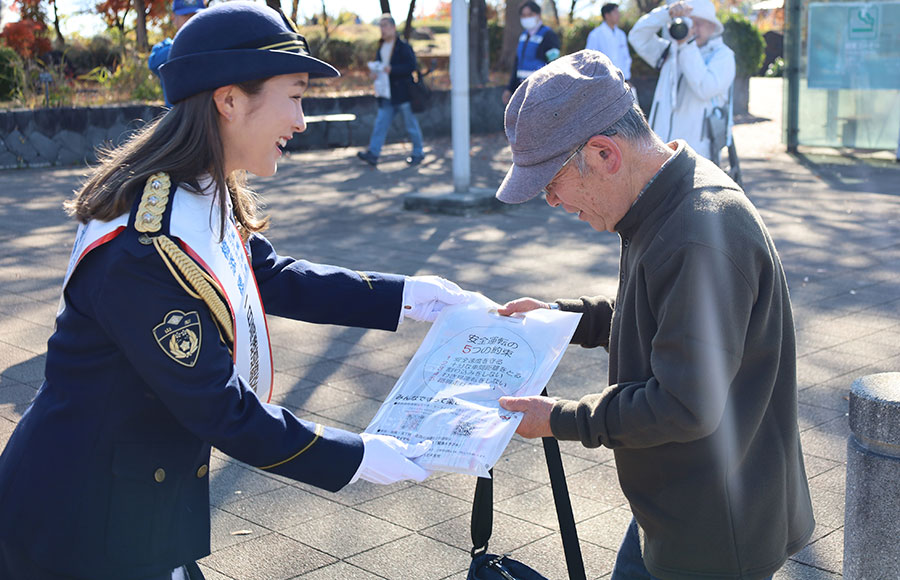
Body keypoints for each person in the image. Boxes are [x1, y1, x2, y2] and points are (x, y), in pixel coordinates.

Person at [0, 3, 469, 579]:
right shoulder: (143, 249)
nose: (301, 120)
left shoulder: (197, 190)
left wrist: (412, 297)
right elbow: (222, 409)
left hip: (140, 502)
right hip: (79, 520)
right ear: (228, 100)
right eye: (294, 95)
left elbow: (266, 277)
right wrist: (363, 456)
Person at [493, 50, 814, 579]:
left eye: (550, 181)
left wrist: (556, 419)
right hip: (685, 499)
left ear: (603, 153)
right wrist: (562, 316)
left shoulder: (697, 235)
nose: (551, 201)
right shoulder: (669, 192)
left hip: (715, 530)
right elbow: (664, 320)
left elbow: (683, 405)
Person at [628, 0, 735, 161]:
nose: (694, 29)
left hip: (698, 158)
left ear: (712, 27)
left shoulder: (723, 56)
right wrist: (666, 13)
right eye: (690, 22)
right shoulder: (670, 52)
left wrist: (686, 45)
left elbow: (704, 88)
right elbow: (637, 37)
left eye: (699, 23)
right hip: (660, 153)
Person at [356, 14, 425, 167]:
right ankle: (373, 154)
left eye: (385, 25)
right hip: (386, 94)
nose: (382, 29)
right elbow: (380, 67)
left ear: (393, 27)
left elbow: (411, 66)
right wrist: (375, 72)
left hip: (403, 94)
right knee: (380, 124)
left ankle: (418, 153)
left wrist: (392, 69)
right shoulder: (381, 47)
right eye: (381, 26)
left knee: (411, 125)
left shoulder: (403, 46)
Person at [502, 1, 561, 106]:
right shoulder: (523, 36)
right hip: (521, 88)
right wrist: (509, 89)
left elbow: (554, 64)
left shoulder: (548, 35)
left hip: (539, 90)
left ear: (538, 15)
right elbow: (517, 64)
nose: (526, 18)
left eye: (530, 15)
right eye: (523, 15)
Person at [148, 0, 206, 107]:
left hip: (207, 116)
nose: (191, 20)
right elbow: (153, 63)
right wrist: (185, 42)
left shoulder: (209, 44)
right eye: (185, 15)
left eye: (195, 15)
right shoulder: (165, 46)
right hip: (177, 117)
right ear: (173, 18)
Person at [585, 3, 632, 85]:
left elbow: (626, 57)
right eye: (615, 12)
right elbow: (589, 59)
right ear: (607, 15)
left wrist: (626, 78)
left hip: (622, 80)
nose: (619, 15)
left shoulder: (621, 34)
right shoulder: (595, 35)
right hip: (602, 81)